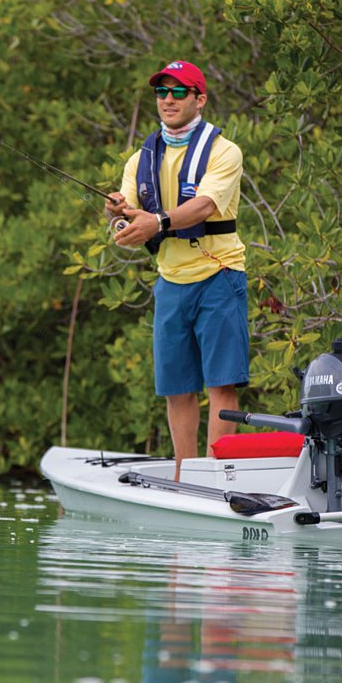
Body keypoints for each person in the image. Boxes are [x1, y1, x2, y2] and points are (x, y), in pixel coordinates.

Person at [106, 60, 248, 480]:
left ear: (199, 99)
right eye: (161, 92)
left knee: (221, 385)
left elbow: (204, 206)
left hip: (220, 276)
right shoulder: (140, 158)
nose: (168, 99)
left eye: (178, 92)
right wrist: (117, 214)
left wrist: (158, 222)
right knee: (177, 387)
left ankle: (219, 477)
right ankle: (184, 478)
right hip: (171, 281)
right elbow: (130, 211)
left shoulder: (225, 151)